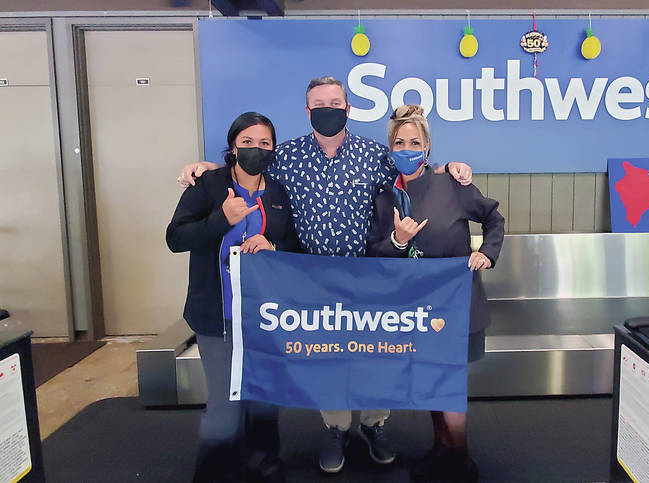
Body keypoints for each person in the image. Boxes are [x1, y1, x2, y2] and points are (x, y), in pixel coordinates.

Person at [179, 77, 474, 474]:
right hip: (313, 278)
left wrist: (448, 167)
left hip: (369, 275)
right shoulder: (287, 156)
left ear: (348, 109)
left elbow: (415, 171)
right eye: (318, 104)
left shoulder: (374, 155)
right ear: (307, 111)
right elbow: (247, 167)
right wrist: (208, 167)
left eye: (335, 103)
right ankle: (335, 428)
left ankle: (374, 424)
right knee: (328, 358)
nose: (327, 110)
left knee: (373, 357)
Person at [366, 104, 505, 482]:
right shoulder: (385, 197)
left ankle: (460, 461)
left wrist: (487, 252)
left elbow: (493, 218)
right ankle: (442, 449)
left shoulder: (452, 185)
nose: (407, 149)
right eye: (399, 142)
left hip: (457, 304)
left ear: (427, 148)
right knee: (431, 382)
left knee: (449, 384)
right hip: (415, 310)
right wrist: (398, 240)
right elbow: (376, 254)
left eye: (415, 142)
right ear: (390, 148)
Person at [167, 112, 300, 483]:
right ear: (233, 147)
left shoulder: (277, 193)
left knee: (264, 400)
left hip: (265, 316)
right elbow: (176, 238)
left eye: (264, 143)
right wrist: (221, 219)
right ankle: (214, 473)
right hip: (217, 316)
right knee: (226, 407)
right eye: (247, 142)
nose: (256, 149)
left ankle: (264, 466)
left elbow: (292, 243)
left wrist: (273, 246)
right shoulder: (209, 186)